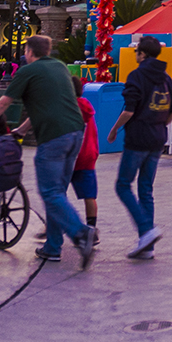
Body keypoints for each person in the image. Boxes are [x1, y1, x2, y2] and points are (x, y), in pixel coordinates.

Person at [0, 35, 94, 268]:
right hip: (75, 133)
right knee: (58, 193)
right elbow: (48, 106)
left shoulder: (27, 71)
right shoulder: (61, 67)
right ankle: (53, 247)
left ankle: (81, 233)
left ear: (28, 51)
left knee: (49, 192)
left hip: (54, 138)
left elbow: (2, 103)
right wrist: (22, 130)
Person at [108, 34, 172, 260]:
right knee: (146, 189)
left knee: (122, 185)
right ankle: (146, 245)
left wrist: (113, 129)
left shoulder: (137, 76)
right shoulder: (165, 77)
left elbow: (129, 110)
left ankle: (147, 231)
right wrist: (161, 124)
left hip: (138, 138)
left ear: (142, 54)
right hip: (157, 138)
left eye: (137, 52)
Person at [72, 85, 101, 233]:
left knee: (57, 194)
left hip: (71, 156)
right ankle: (92, 228)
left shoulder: (69, 107)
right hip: (88, 155)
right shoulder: (87, 107)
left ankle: (53, 226)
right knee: (89, 196)